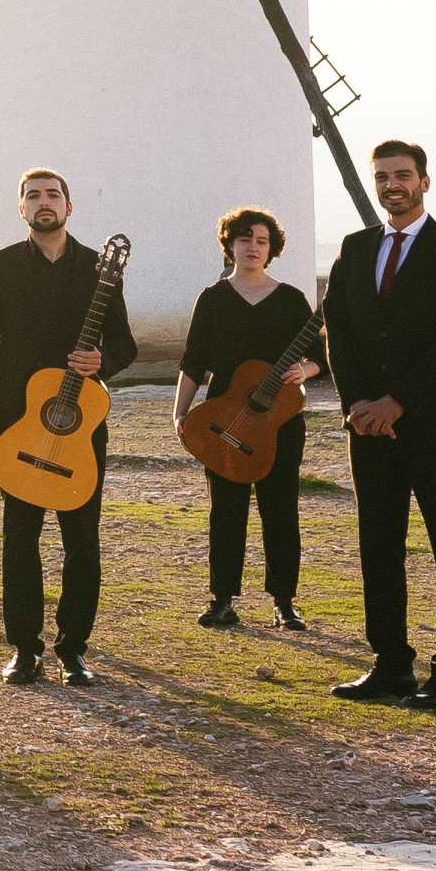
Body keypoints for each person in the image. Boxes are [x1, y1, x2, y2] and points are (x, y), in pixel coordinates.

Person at [321, 141, 436, 712]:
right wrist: (359, 406)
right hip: (368, 427)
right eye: (383, 177)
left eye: (403, 175)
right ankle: (390, 663)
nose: (392, 184)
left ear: (424, 181)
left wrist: (398, 402)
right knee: (379, 546)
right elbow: (337, 333)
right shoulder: (355, 247)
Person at [0, 167, 132, 684]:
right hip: (18, 421)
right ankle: (24, 647)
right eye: (33, 196)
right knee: (20, 538)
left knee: (82, 539)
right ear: (22, 209)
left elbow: (124, 344)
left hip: (79, 424)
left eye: (53, 195)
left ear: (69, 206)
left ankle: (74, 646)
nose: (44, 203)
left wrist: (100, 362)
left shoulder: (97, 268)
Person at [177, 205, 317, 633]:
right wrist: (181, 411)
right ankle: (221, 599)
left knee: (281, 510)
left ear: (272, 249)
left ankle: (284, 602)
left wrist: (305, 370)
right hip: (222, 420)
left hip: (279, 423)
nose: (253, 247)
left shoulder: (292, 299)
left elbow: (322, 358)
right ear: (230, 245)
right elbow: (194, 361)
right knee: (226, 511)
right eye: (244, 239)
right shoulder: (213, 298)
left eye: (261, 241)